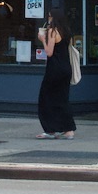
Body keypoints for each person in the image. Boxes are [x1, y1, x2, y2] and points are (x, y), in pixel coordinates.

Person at [35, 7, 76, 140]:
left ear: (53, 18)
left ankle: (50, 130)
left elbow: (49, 52)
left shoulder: (52, 31)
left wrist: (42, 39)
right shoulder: (66, 31)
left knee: (46, 98)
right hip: (66, 68)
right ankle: (68, 129)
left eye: (49, 16)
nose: (48, 19)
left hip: (55, 69)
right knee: (62, 99)